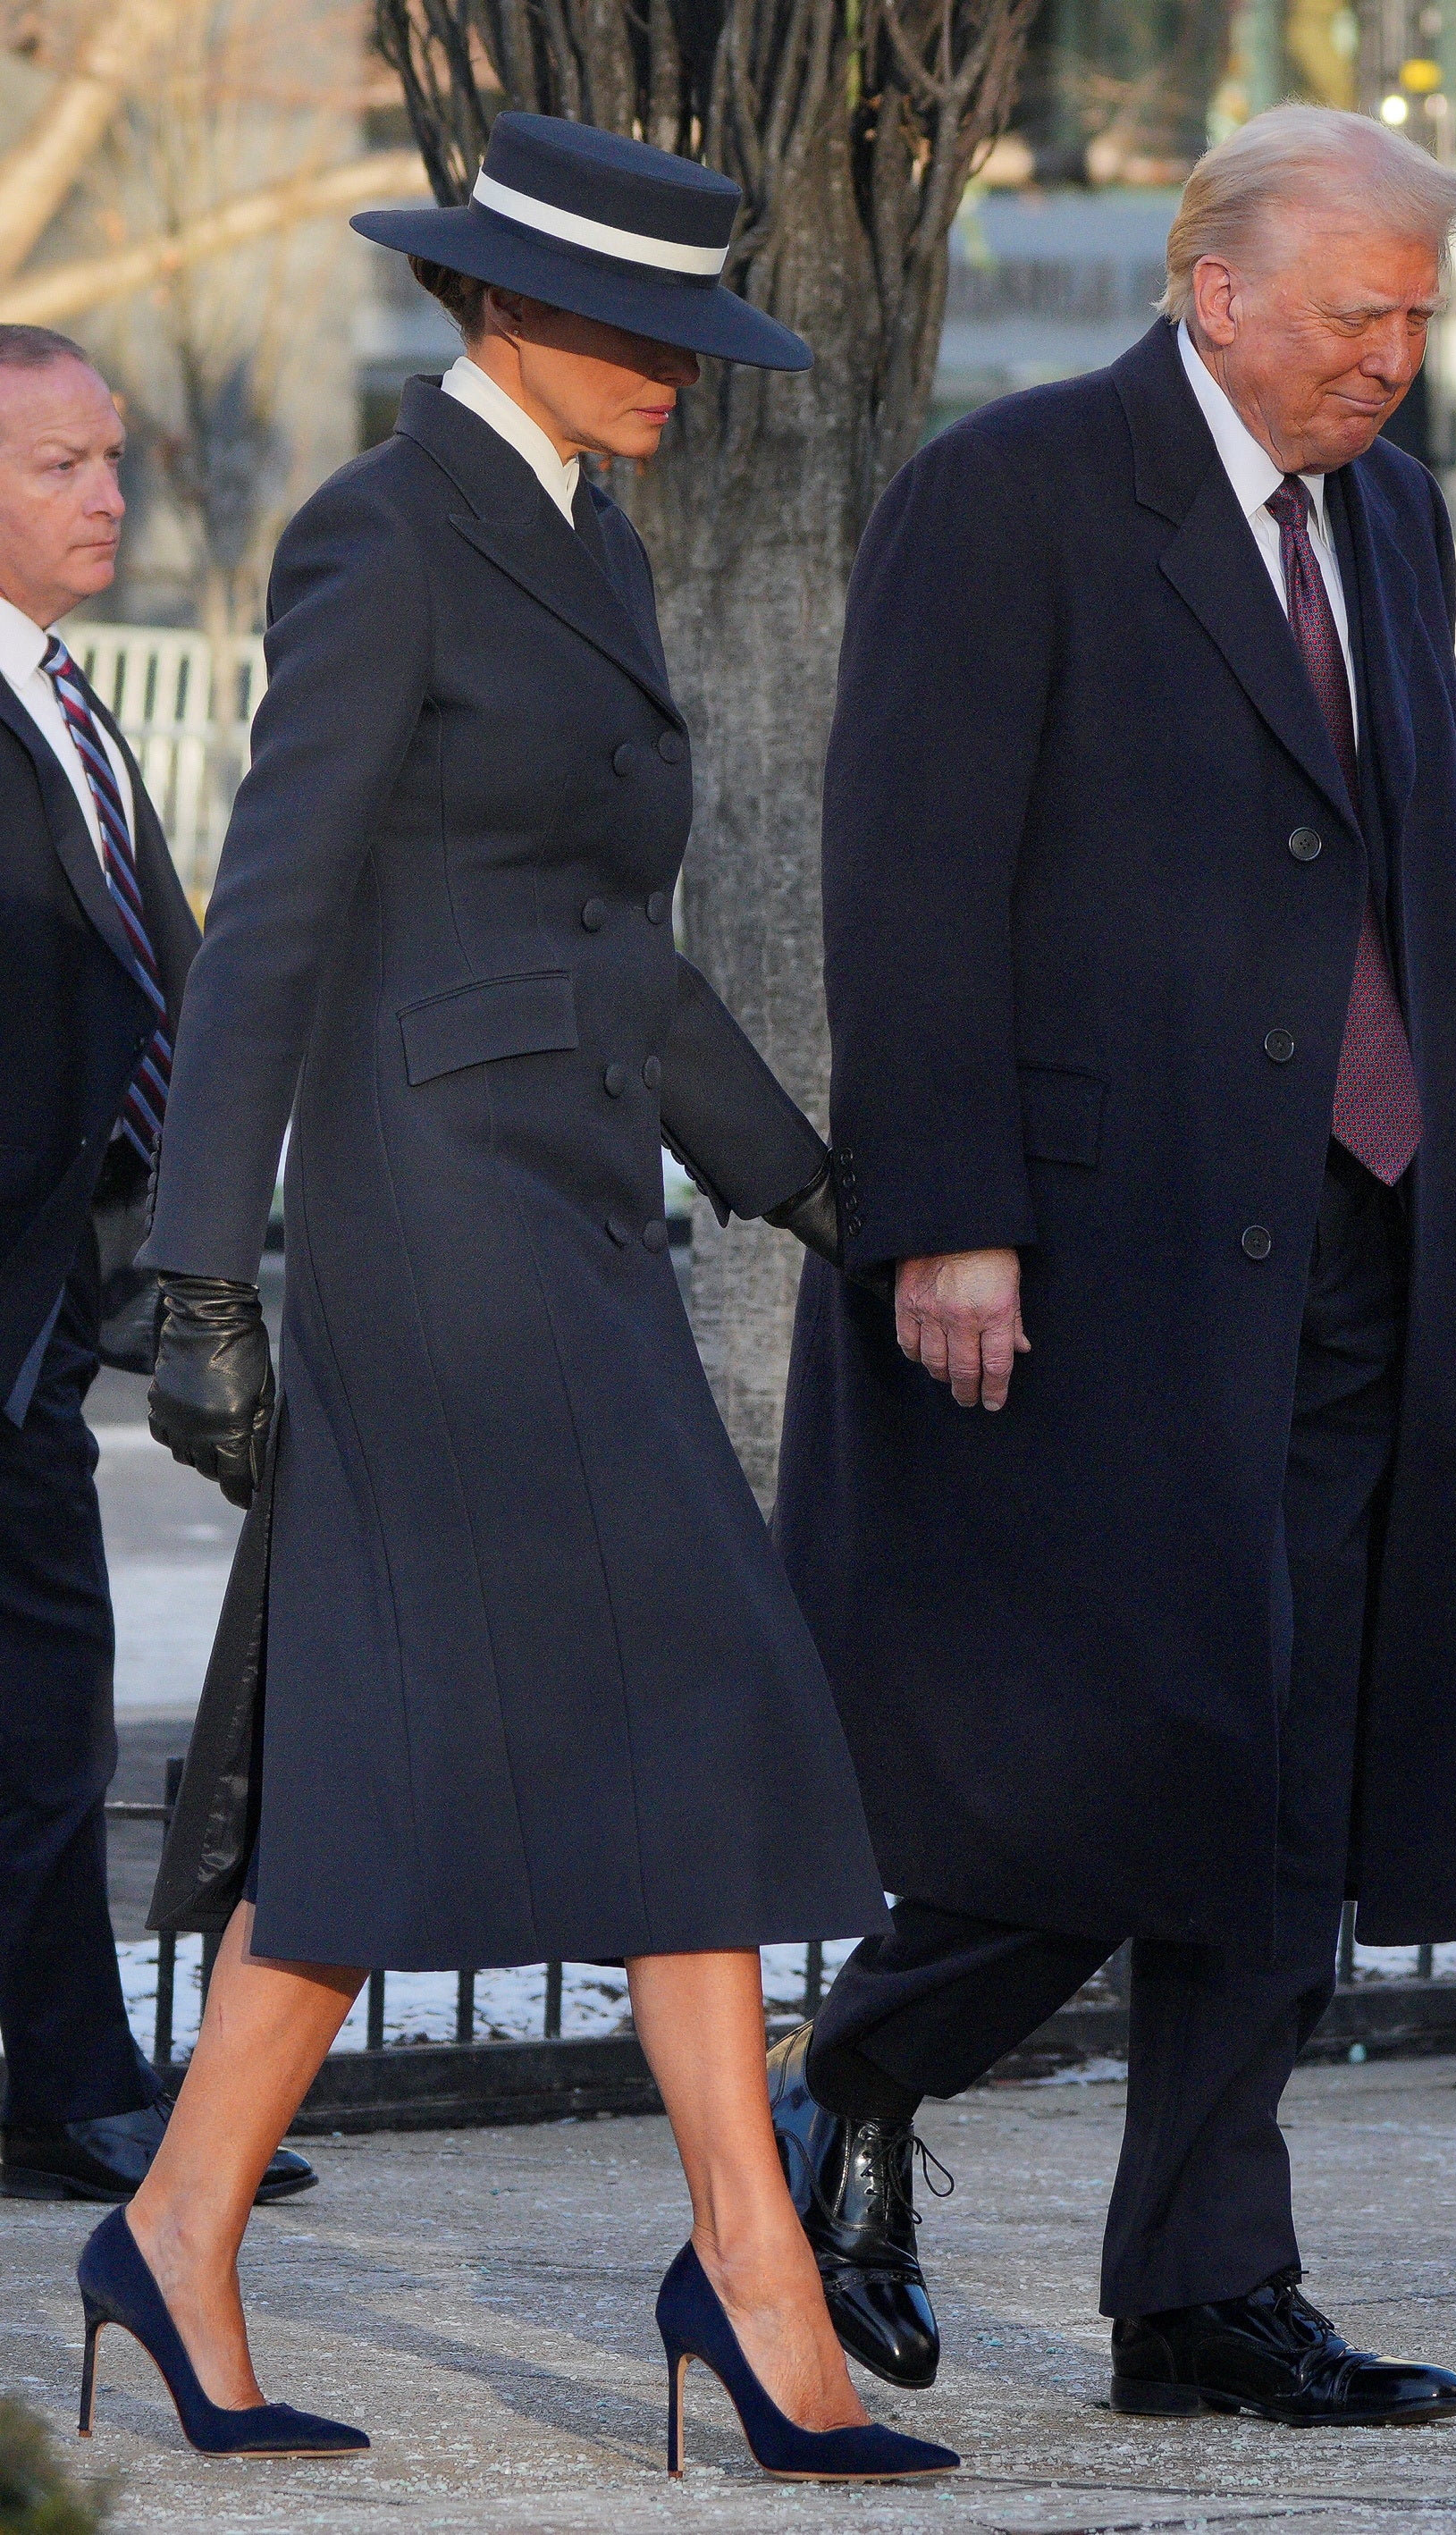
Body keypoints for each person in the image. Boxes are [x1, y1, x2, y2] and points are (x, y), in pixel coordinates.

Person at [71, 115, 955, 2484]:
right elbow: (266, 918)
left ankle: (175, 2220)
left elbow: (609, 943)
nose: (685, 375)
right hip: (435, 1233)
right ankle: (755, 2280)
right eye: (648, 334)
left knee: (419, 1758)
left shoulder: (588, 543)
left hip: (570, 1214)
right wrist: (198, 1282)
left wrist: (809, 1189)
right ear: (514, 313)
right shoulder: (385, 531)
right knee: (711, 1691)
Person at [770, 105, 1456, 2428]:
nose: (1394, 355)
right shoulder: (1008, 498)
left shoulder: (1392, 509)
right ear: (1215, 291)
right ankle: (852, 2084)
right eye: (1355, 310)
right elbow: (905, 871)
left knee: (1290, 1772)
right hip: (1086, 1258)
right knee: (1108, 1764)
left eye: (1415, 312)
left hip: (1362, 1239)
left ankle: (1201, 2284)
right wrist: (943, 1207)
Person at [0, 326, 313, 2211]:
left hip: (45, 1312)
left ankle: (73, 2087)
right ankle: (75, 2088)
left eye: (113, 455)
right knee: (41, 1707)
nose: (107, 491)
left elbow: (137, 975)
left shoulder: (71, 698)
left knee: (48, 1711)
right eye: (58, 464)